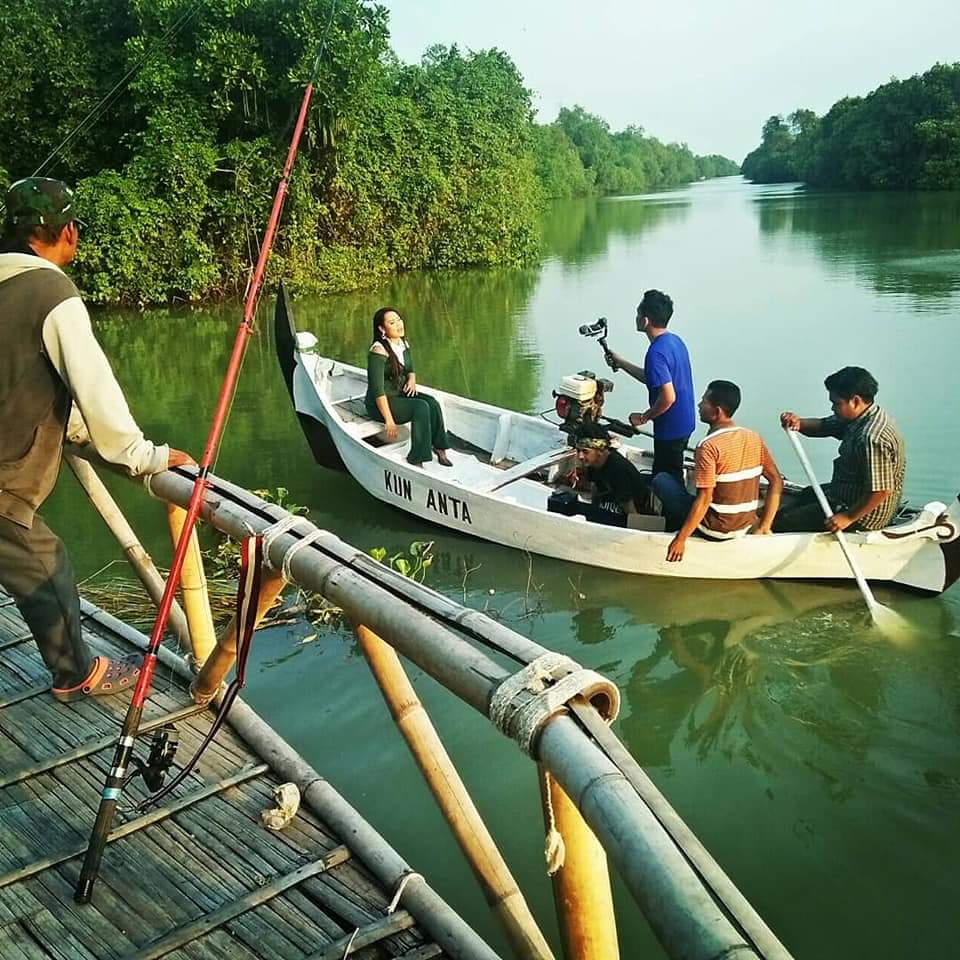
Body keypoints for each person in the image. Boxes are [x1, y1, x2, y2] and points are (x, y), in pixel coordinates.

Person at [0, 177, 193, 703]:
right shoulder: (52, 294)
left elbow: (24, 380)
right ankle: (77, 675)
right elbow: (94, 387)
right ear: (65, 232)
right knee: (48, 566)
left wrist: (74, 430)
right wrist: (142, 455)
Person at [651, 380, 783, 562]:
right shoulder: (753, 438)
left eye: (704, 401)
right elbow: (776, 480)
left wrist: (680, 539)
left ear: (717, 411)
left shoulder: (708, 447)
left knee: (661, 480)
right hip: (744, 525)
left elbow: (705, 499)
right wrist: (764, 526)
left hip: (714, 529)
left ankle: (676, 528)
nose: (699, 405)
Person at [775, 366, 905, 533]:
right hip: (845, 491)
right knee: (807, 494)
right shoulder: (859, 416)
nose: (832, 408)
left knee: (783, 523)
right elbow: (823, 426)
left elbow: (881, 490)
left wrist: (848, 517)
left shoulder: (872, 437)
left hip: (864, 514)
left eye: (836, 403)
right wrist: (798, 423)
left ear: (855, 401)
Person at [604, 289, 696, 484]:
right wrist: (621, 363)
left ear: (645, 320)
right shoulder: (675, 341)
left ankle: (672, 514)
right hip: (685, 423)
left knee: (666, 481)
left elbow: (668, 397)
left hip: (670, 429)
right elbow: (653, 378)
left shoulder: (655, 353)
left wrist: (644, 417)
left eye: (638, 314)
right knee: (670, 472)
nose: (636, 317)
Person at [365, 307, 452, 467]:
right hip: (383, 402)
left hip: (400, 394)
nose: (398, 324)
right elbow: (377, 390)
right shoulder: (378, 350)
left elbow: (410, 369)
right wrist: (389, 420)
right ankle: (417, 457)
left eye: (399, 320)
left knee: (432, 403)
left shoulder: (403, 343)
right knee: (420, 407)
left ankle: (439, 447)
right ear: (382, 329)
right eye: (392, 322)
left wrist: (412, 378)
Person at [574, 423, 648, 526]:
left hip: (629, 511)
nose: (580, 456)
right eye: (578, 451)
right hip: (609, 503)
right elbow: (594, 489)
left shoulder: (617, 470)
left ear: (600, 450)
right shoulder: (593, 463)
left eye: (585, 452)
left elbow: (631, 511)